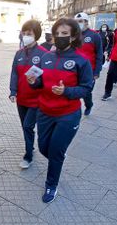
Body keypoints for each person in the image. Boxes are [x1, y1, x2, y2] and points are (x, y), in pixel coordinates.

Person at [27, 18, 93, 203]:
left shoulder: (81, 61)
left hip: (67, 115)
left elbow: (87, 88)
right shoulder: (46, 57)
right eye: (57, 34)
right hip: (45, 112)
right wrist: (34, 82)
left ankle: (51, 184)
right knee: (43, 148)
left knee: (55, 151)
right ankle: (58, 156)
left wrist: (67, 91)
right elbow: (40, 82)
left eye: (64, 34)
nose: (60, 37)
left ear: (73, 36)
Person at [9, 19, 49, 169]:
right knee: (25, 127)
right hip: (22, 98)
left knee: (27, 126)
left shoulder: (44, 54)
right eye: (24, 33)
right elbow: (14, 73)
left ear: (36, 35)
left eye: (29, 33)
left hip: (37, 99)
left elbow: (47, 78)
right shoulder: (19, 53)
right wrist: (13, 91)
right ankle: (30, 145)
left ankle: (28, 156)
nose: (25, 36)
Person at [74, 12, 102, 116]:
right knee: (75, 91)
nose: (78, 24)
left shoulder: (94, 35)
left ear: (86, 22)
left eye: (80, 21)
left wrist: (97, 71)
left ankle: (88, 105)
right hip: (75, 69)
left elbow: (99, 54)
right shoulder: (73, 35)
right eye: (76, 22)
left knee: (86, 92)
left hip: (90, 70)